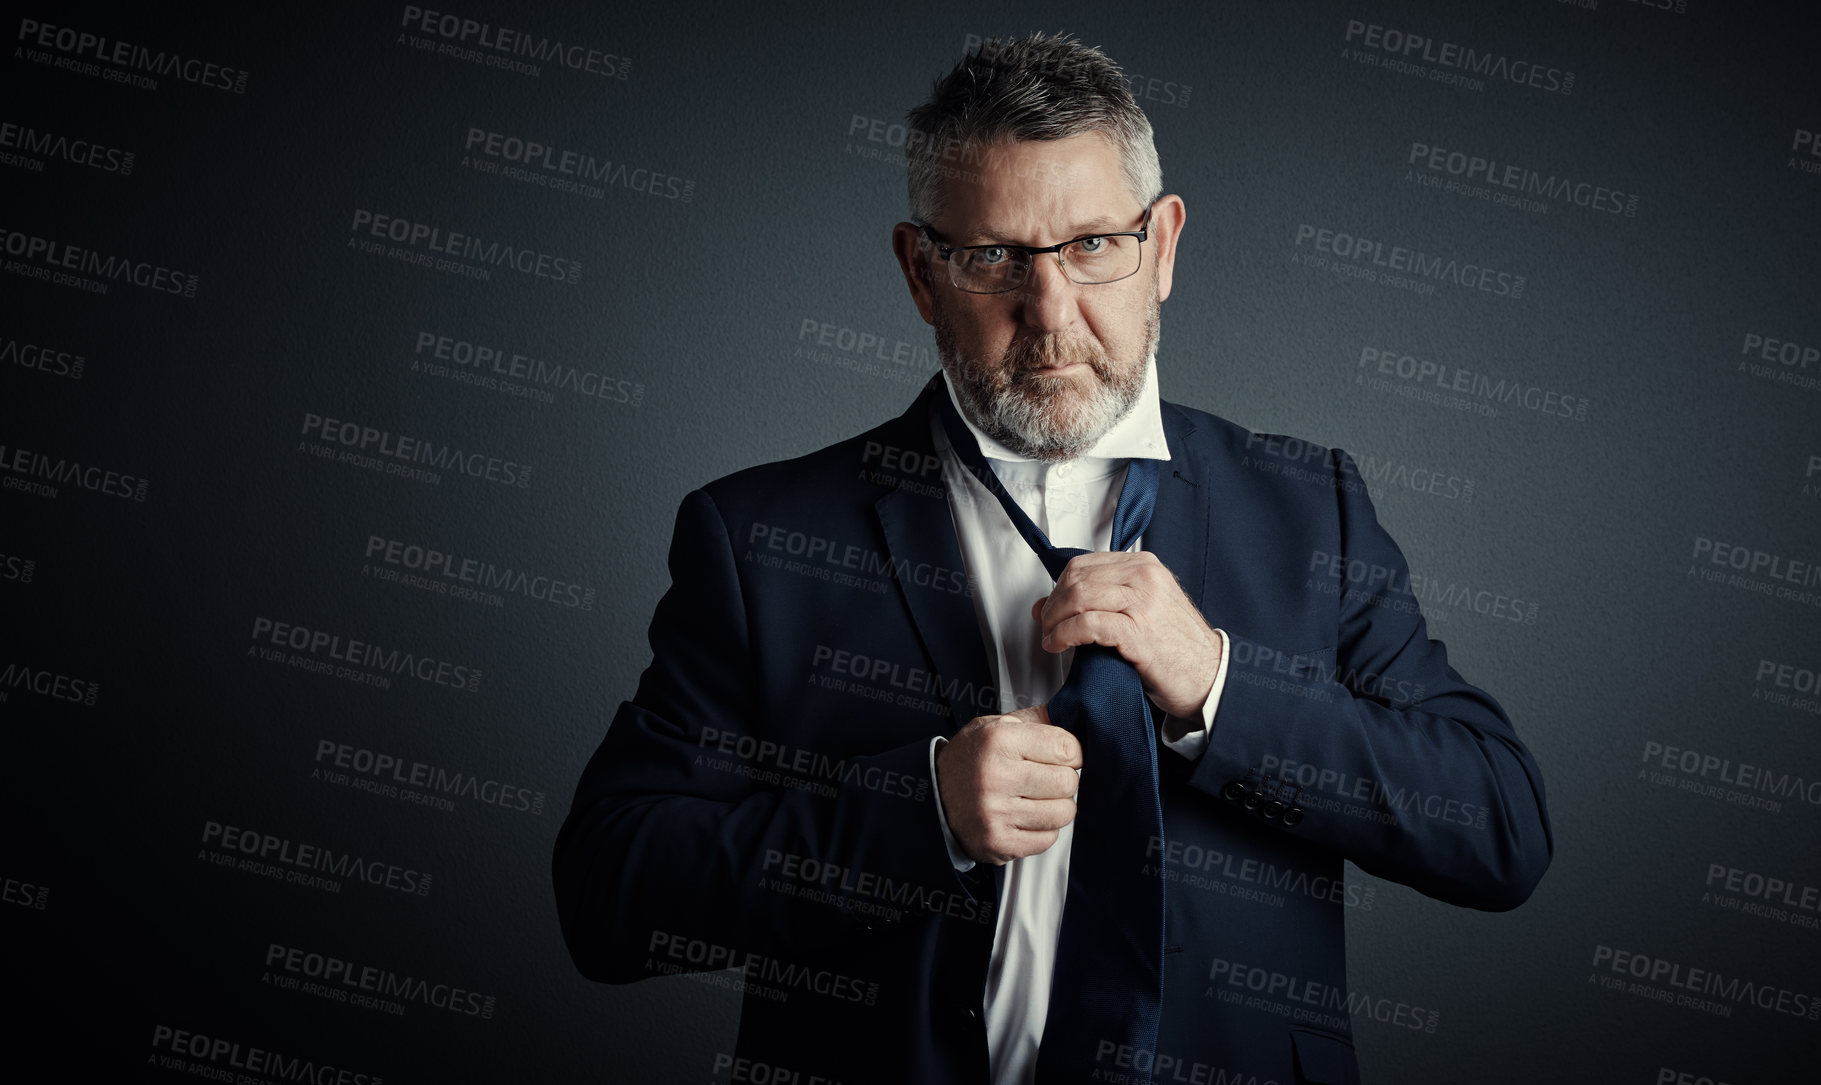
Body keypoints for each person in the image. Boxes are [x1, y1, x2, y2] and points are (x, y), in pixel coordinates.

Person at [553, 31, 1552, 1085]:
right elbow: (607, 896)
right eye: (994, 258)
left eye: (1090, 246)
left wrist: (1219, 681)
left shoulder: (1313, 509)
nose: (1050, 313)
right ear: (920, 271)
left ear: (1160, 245)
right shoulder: (758, 538)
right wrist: (918, 810)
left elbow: (1499, 826)